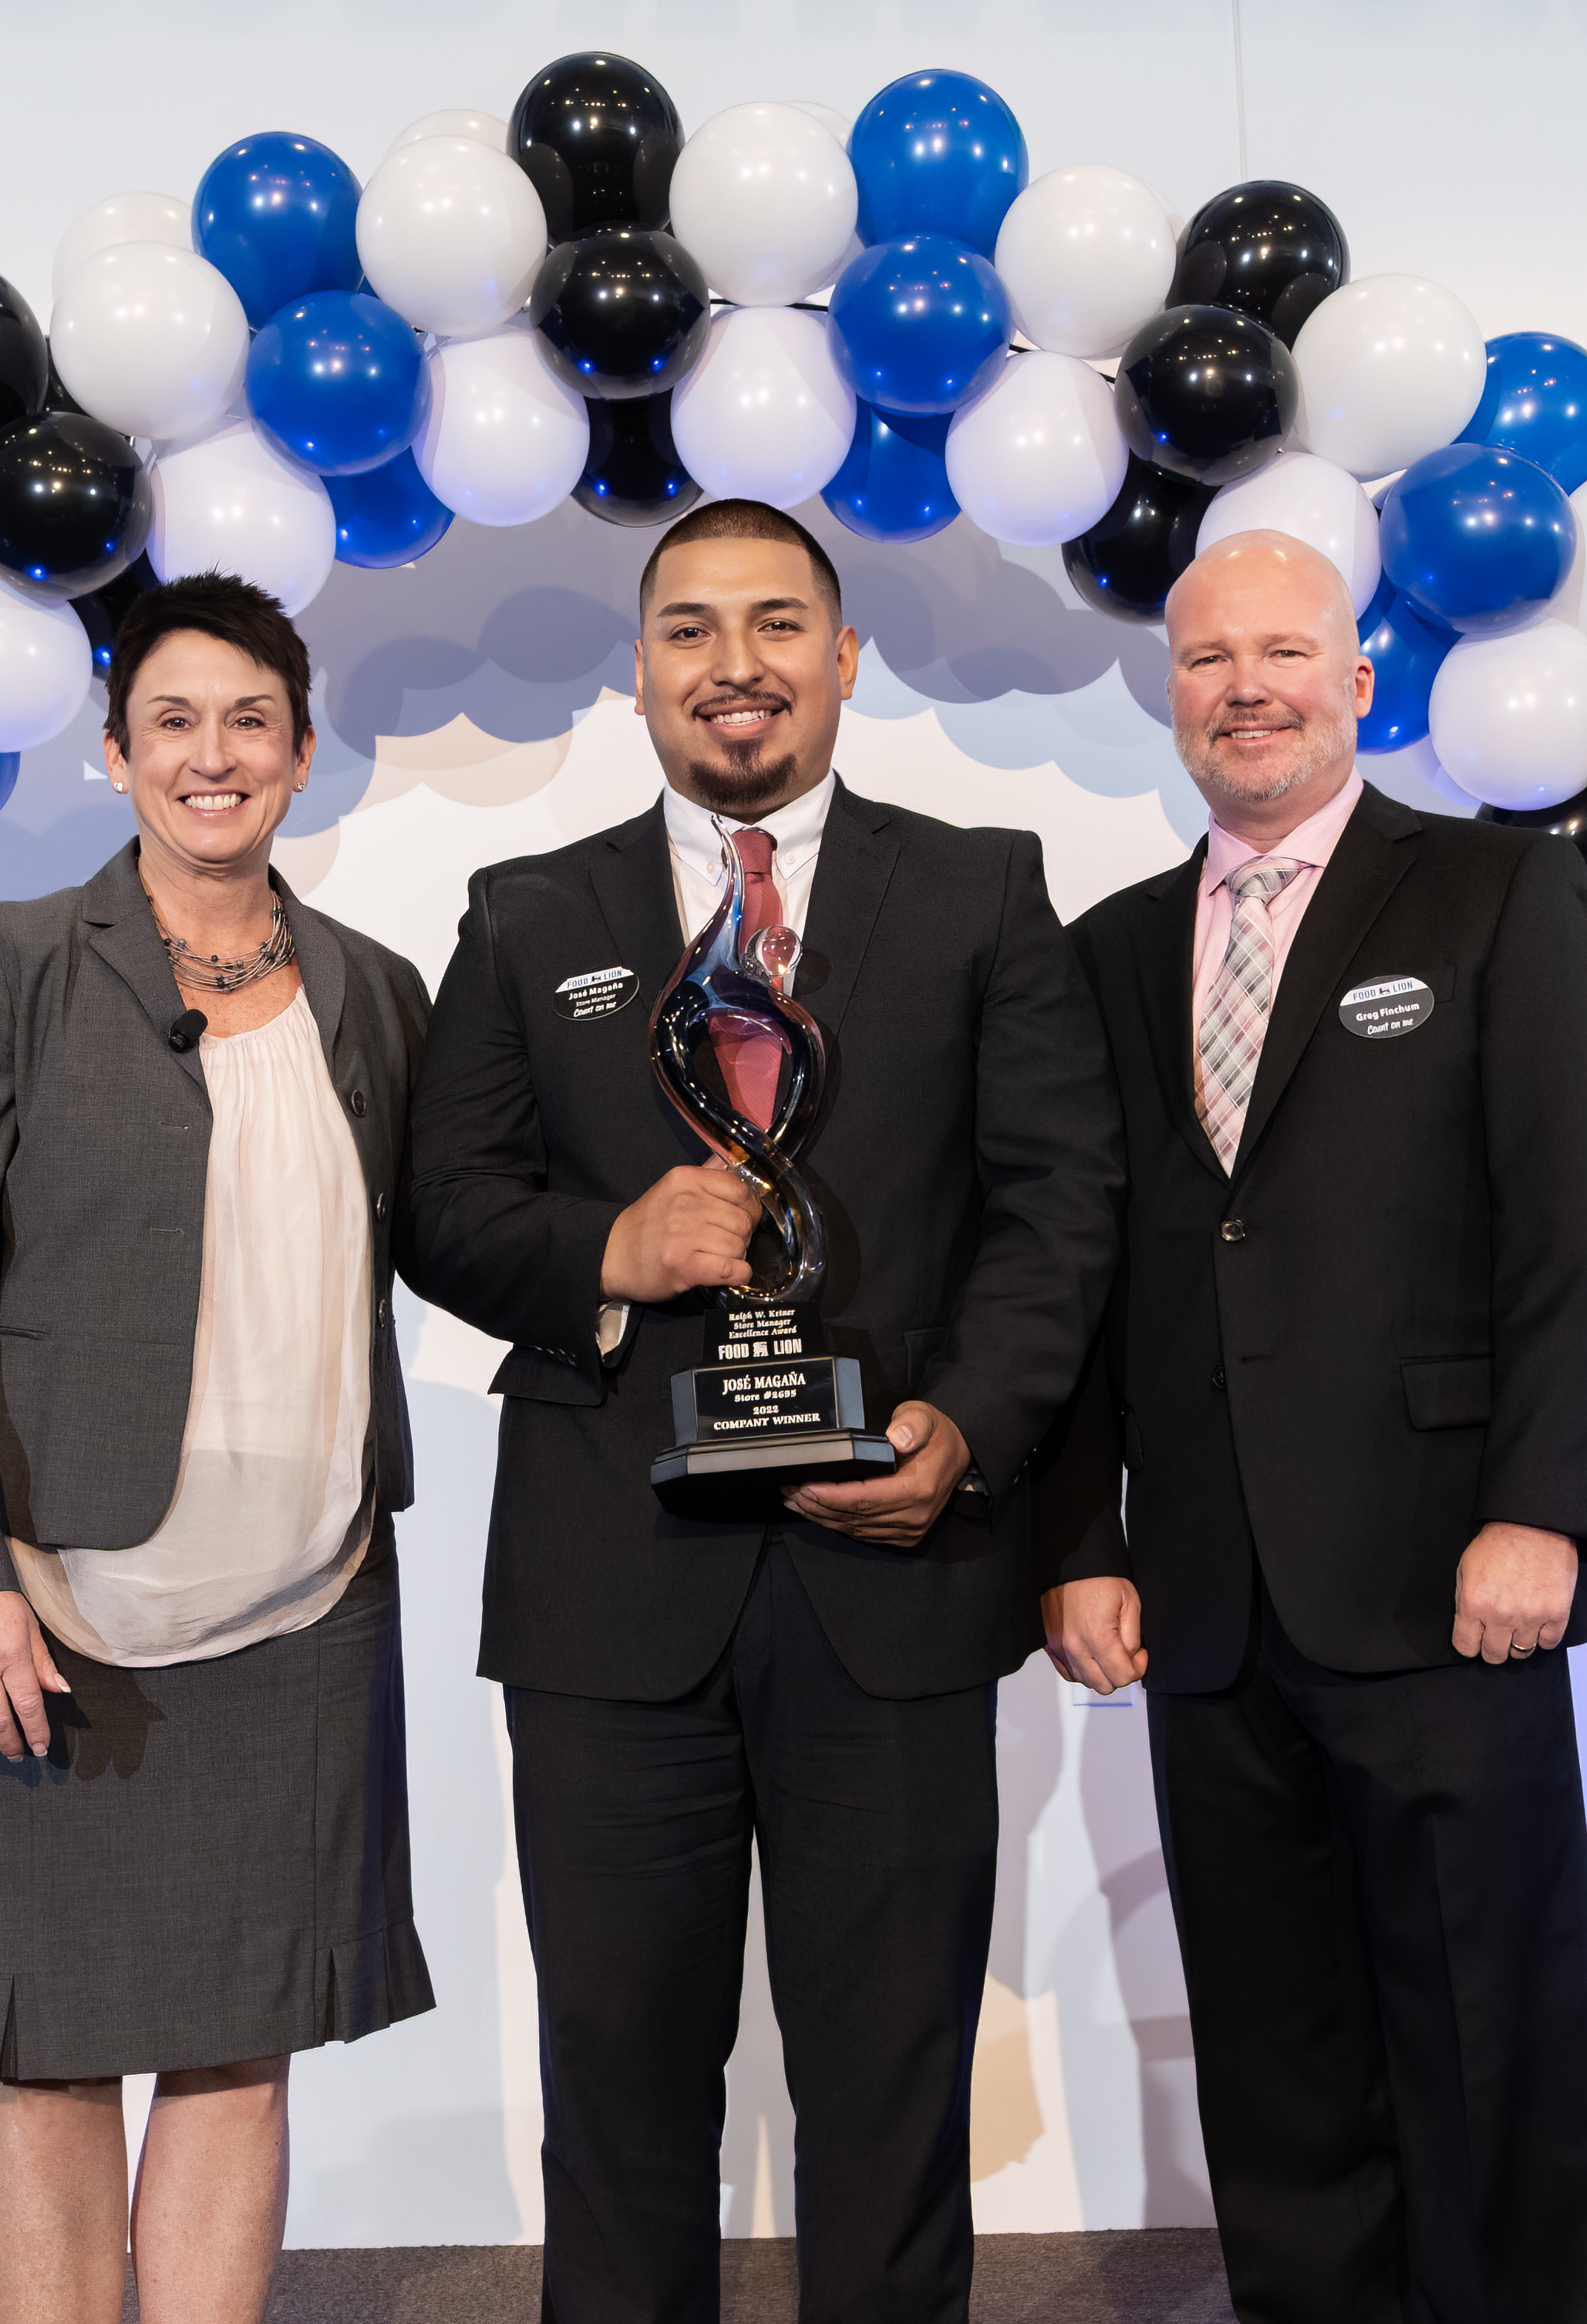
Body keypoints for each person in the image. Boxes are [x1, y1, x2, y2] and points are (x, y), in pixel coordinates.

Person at [406, 495, 1124, 2324]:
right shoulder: (527, 910)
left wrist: (970, 1422)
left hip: (889, 1564)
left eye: (779, 622)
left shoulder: (979, 885)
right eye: (695, 628)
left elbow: (1059, 1206)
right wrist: (612, 1243)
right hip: (605, 1587)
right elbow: (445, 1208)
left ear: (844, 655)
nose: (739, 664)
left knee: (890, 2086)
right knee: (622, 2090)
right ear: (639, 670)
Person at [1037, 528, 1587, 2324]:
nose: (1249, 686)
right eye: (1213, 657)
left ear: (1358, 680)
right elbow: (1073, 1276)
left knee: (1486, 2034)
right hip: (1211, 1600)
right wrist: (1081, 1535)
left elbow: (1585, 1217)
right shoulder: (1113, 950)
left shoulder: (1489, 896)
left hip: (1447, 1568)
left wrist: (1547, 1505)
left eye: (1285, 652)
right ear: (1173, 694)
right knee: (1278, 2048)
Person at [0, 570, 435, 2324]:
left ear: (304, 751)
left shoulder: (376, 991)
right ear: (114, 752)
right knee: (42, 2052)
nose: (213, 752)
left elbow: (464, 1228)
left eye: (249, 717)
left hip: (304, 1601)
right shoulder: (13, 962)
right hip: (52, 1604)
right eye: (172, 718)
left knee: (237, 2041)